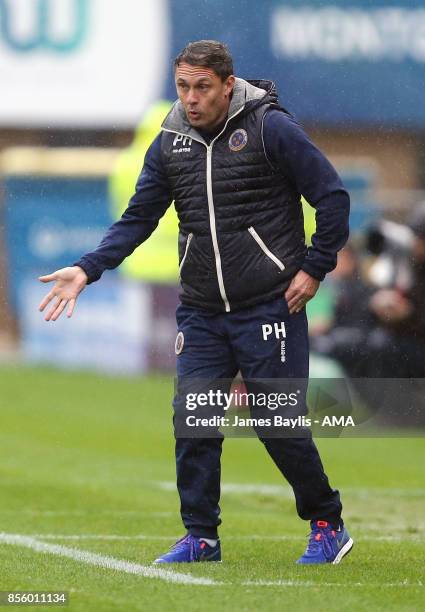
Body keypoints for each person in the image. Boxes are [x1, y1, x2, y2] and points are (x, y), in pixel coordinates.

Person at [38, 40, 352, 565]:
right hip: (202, 311)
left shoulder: (270, 128)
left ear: (228, 85)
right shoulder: (170, 140)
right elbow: (139, 217)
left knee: (278, 426)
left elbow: (332, 197)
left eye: (202, 87)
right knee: (195, 422)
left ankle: (327, 521)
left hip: (270, 307)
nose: (191, 99)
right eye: (183, 86)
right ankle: (201, 537)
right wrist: (88, 268)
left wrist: (314, 267)